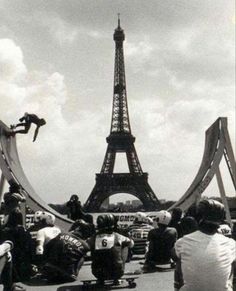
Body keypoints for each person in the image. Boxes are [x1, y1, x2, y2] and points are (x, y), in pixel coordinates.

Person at [174, 199, 236, 291]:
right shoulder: (231, 243)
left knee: (181, 261)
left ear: (198, 217)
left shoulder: (183, 241)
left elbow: (177, 265)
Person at [88, 214, 134, 285]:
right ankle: (118, 276)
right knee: (125, 245)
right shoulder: (118, 236)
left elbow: (85, 246)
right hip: (117, 272)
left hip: (98, 273)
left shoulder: (92, 238)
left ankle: (101, 280)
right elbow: (131, 244)